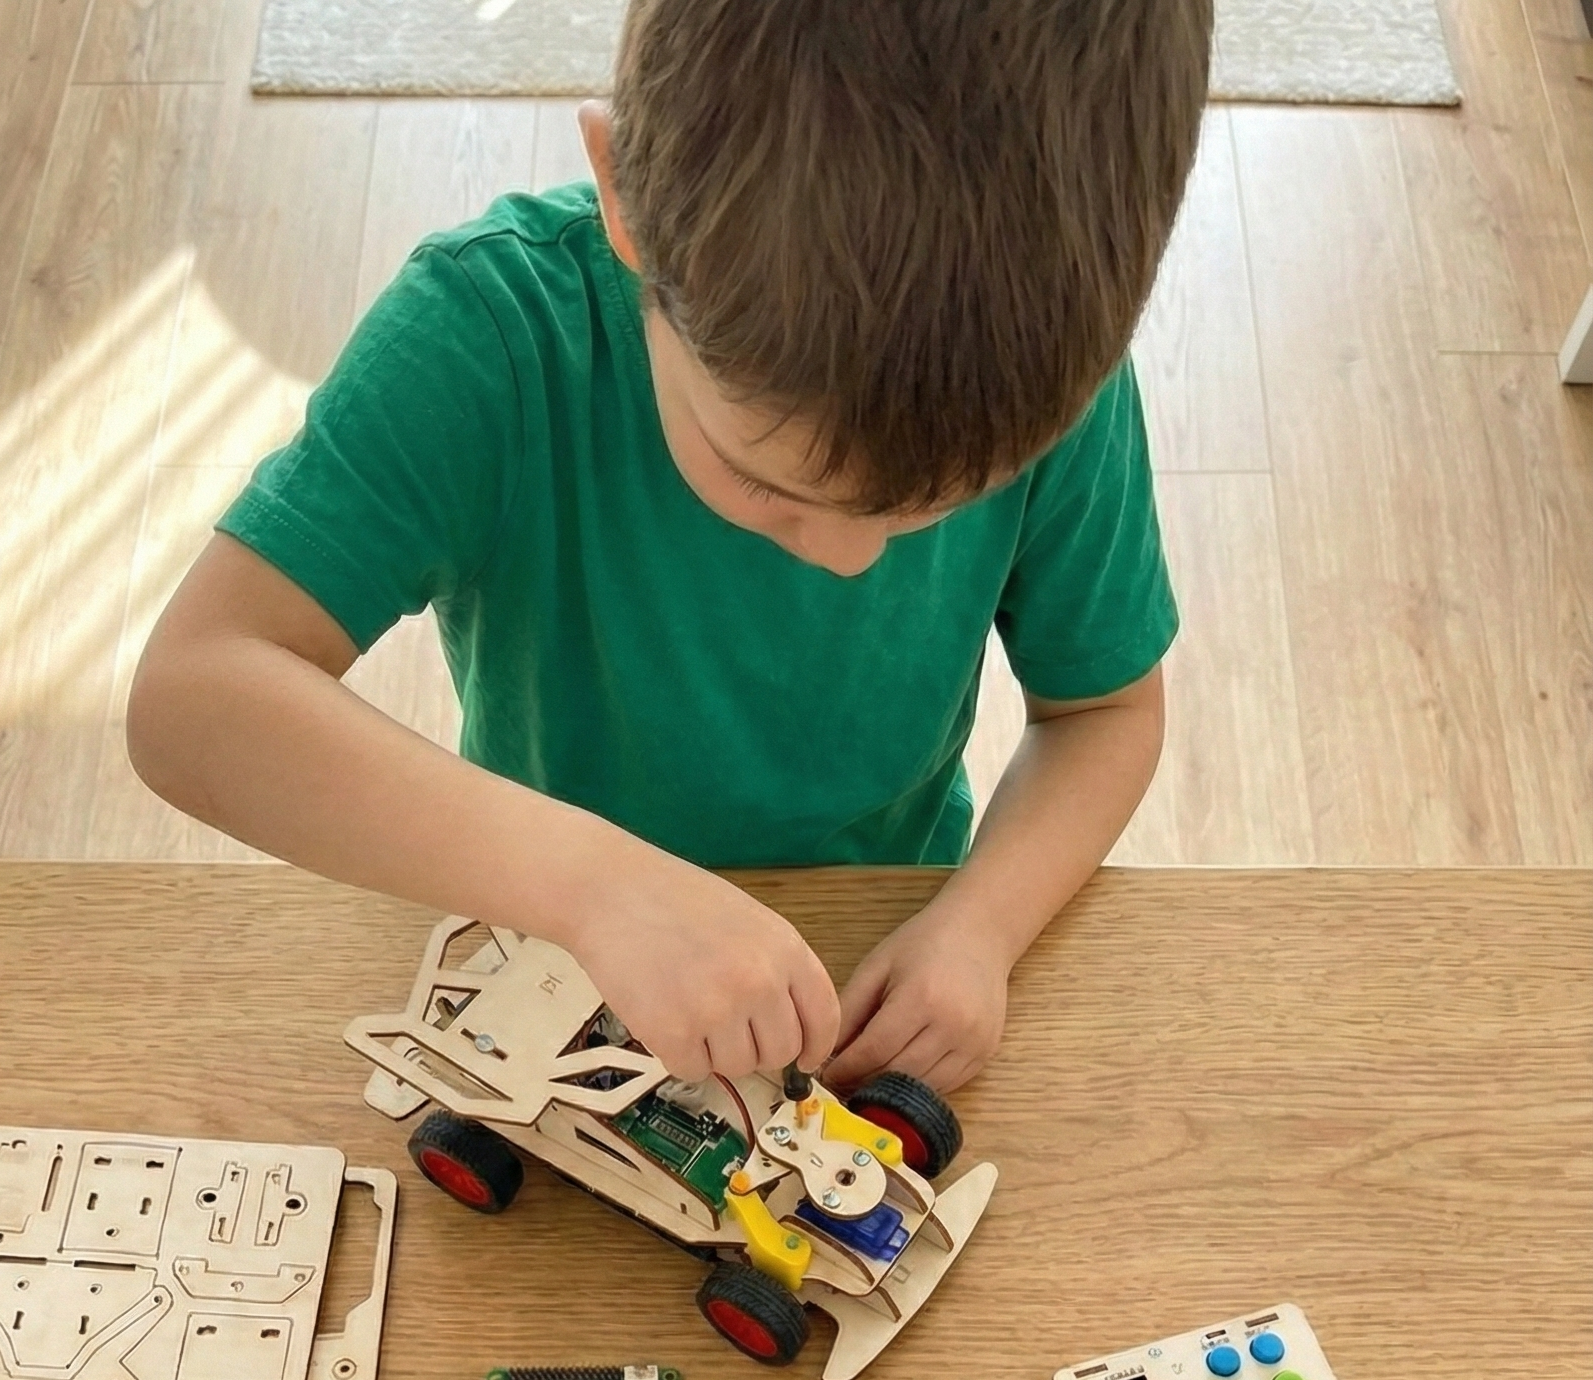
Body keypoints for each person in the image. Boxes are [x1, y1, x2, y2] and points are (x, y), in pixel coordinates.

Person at [127, 0, 1210, 1091]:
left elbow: (1103, 713)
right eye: (768, 485)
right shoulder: (490, 336)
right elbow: (193, 698)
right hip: (545, 938)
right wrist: (595, 889)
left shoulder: (1044, 366)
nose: (850, 561)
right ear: (623, 200)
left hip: (875, 935)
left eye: (933, 507)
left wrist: (980, 927)